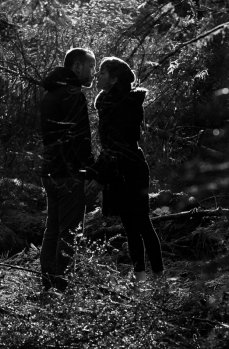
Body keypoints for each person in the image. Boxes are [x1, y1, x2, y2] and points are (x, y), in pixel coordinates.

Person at [86, 56, 164, 288]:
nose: (98, 76)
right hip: (118, 168)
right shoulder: (107, 102)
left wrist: (100, 178)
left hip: (131, 169)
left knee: (142, 223)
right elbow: (109, 147)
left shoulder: (126, 104)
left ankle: (160, 279)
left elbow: (119, 145)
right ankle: (140, 279)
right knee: (130, 227)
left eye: (102, 72)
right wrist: (96, 173)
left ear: (114, 78)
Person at [39, 47, 97, 292]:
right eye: (91, 66)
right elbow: (80, 140)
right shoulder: (73, 94)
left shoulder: (50, 94)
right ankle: (62, 288)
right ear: (77, 67)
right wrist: (89, 172)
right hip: (69, 174)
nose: (93, 72)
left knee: (53, 229)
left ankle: (48, 285)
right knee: (70, 232)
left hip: (50, 171)